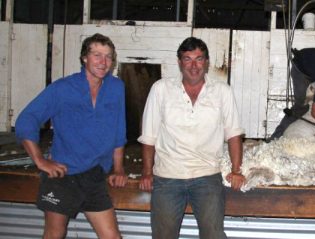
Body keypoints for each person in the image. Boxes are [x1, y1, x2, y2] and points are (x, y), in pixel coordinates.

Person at [15, 33, 127, 239]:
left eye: (108, 56)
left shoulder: (116, 87)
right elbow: (26, 120)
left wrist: (118, 168)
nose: (103, 62)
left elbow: (118, 131)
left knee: (112, 236)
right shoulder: (63, 88)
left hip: (93, 174)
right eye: (97, 55)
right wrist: (39, 160)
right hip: (62, 175)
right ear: (85, 57)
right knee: (55, 234)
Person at [138, 37, 245, 239]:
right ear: (179, 62)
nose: (194, 66)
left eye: (199, 59)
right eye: (187, 59)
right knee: (163, 235)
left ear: (207, 62)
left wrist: (236, 170)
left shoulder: (222, 91)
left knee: (213, 234)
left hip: (207, 175)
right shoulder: (161, 89)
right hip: (168, 176)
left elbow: (233, 133)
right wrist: (146, 172)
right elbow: (149, 136)